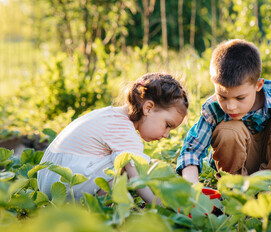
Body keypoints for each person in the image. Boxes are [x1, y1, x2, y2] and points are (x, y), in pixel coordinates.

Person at [176, 39, 271, 191]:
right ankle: (237, 189)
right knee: (228, 131)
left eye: (240, 98)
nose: (230, 106)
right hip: (237, 170)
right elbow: (192, 150)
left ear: (258, 85)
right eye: (223, 96)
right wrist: (192, 187)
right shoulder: (213, 108)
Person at [38, 73, 188, 201]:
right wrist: (160, 203)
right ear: (148, 108)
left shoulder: (111, 115)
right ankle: (100, 208)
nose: (166, 135)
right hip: (65, 186)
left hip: (49, 179)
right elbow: (138, 180)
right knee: (127, 168)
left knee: (129, 162)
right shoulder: (125, 131)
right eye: (168, 125)